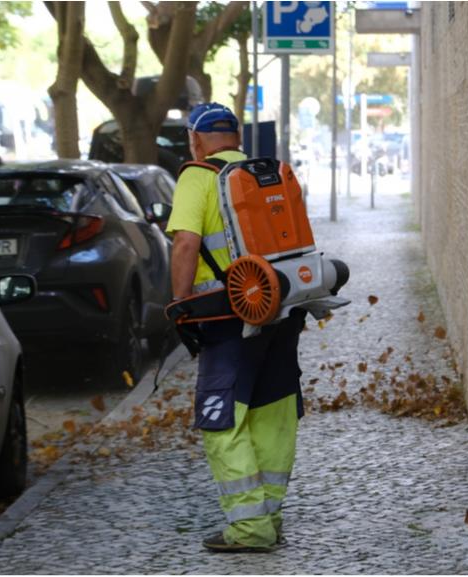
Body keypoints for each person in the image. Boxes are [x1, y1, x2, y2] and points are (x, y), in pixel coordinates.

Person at [166, 102, 306, 553]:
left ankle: (249, 529)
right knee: (272, 415)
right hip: (280, 310)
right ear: (238, 138)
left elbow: (185, 243)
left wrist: (179, 306)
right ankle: (269, 518)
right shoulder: (263, 173)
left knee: (222, 419)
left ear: (195, 140)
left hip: (228, 317)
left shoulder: (198, 176)